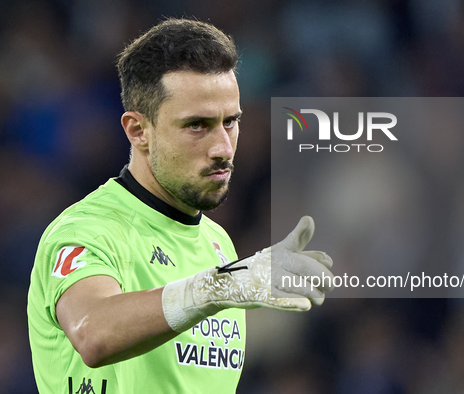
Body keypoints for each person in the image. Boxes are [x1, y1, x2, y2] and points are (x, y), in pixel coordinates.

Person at [27, 17, 334, 393]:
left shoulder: (217, 245)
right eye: (197, 126)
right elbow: (93, 332)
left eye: (230, 122)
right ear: (138, 131)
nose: (222, 147)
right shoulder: (89, 228)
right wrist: (217, 288)